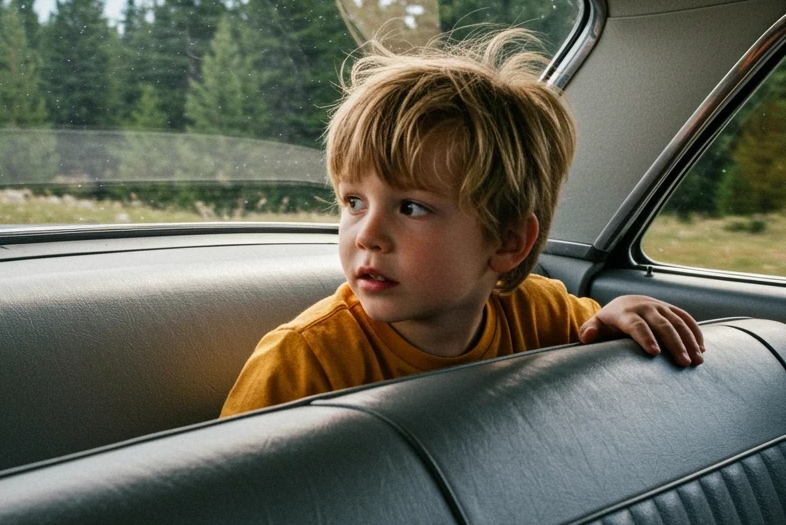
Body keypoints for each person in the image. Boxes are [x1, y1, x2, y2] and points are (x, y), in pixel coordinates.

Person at [221, 29, 705, 418]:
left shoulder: (541, 315)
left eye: (411, 207)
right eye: (353, 201)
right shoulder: (304, 362)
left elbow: (594, 334)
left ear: (508, 241)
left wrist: (620, 314)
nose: (366, 235)